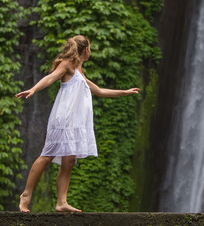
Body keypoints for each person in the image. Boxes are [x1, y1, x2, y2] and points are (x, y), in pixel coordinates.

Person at [15, 35, 140, 213]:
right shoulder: (67, 65)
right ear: (86, 50)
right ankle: (26, 196)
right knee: (47, 156)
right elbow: (50, 78)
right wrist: (34, 89)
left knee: (69, 160)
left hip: (74, 123)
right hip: (63, 119)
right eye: (90, 48)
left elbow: (99, 91)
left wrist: (125, 92)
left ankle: (61, 202)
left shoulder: (79, 72)